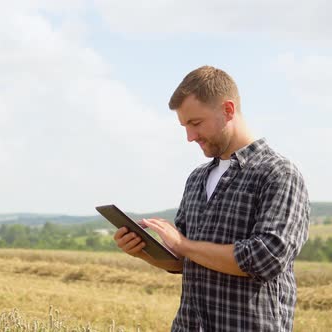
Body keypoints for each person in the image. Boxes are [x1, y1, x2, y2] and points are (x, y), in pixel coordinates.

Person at [113, 65, 310, 331]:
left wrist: (183, 244)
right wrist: (144, 251)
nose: (190, 137)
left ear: (228, 110)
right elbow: (184, 261)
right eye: (185, 126)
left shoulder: (278, 173)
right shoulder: (197, 179)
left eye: (195, 123)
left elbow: (267, 258)